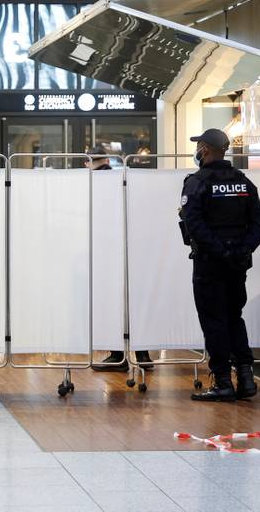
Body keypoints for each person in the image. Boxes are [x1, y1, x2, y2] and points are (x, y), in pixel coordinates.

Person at [179, 129, 260, 402]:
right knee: (234, 317)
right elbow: (259, 222)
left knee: (214, 321)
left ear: (204, 149)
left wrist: (220, 251)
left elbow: (194, 224)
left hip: (210, 264)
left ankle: (222, 382)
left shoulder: (197, 183)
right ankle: (246, 377)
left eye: (199, 146)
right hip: (238, 265)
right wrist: (241, 250)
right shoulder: (243, 183)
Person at [85, 148, 153, 372]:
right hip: (133, 249)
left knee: (113, 303)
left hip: (107, 251)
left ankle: (118, 356)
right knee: (132, 302)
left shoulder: (97, 183)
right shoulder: (123, 178)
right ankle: (143, 354)